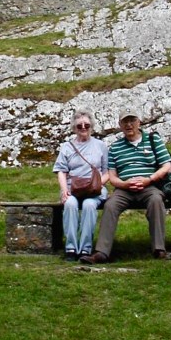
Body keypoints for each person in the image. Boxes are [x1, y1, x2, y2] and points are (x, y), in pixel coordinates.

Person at [80, 107, 171, 264]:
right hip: (123, 189)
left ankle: (159, 249)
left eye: (132, 121)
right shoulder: (115, 147)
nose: (129, 125)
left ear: (139, 122)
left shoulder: (153, 140)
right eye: (125, 122)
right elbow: (112, 176)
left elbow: (166, 166)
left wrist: (149, 179)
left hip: (149, 186)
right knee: (110, 205)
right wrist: (125, 184)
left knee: (156, 200)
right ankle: (101, 252)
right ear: (120, 125)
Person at [53, 108, 109, 261]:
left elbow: (107, 171)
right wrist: (64, 190)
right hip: (73, 188)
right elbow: (61, 171)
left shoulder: (100, 146)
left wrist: (97, 185)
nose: (83, 128)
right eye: (79, 126)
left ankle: (85, 248)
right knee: (70, 204)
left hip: (95, 190)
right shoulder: (67, 147)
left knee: (89, 205)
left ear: (91, 126)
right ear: (74, 128)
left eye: (86, 125)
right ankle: (71, 248)